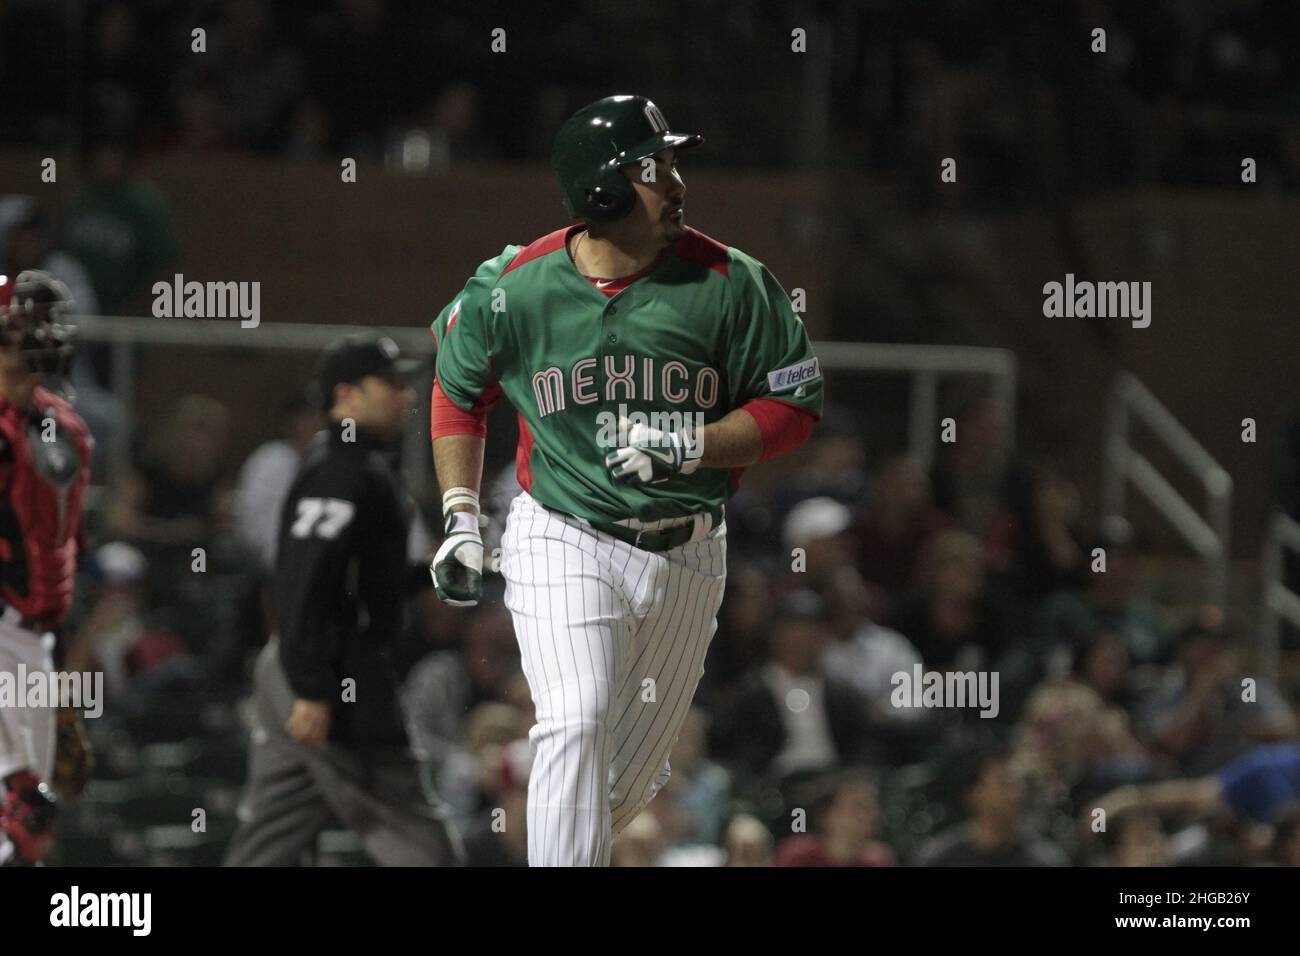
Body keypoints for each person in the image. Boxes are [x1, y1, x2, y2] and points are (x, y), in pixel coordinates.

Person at [428, 94, 823, 866]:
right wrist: (460, 514)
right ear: (601, 190)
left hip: (687, 552)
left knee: (625, 784)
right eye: (654, 167)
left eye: (674, 163)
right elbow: (456, 386)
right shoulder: (516, 285)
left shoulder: (732, 283)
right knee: (573, 721)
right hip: (561, 533)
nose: (675, 182)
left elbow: (793, 405)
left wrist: (690, 442)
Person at [225, 334, 460, 867]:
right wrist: (312, 686)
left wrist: (433, 573)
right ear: (346, 395)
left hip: (301, 665)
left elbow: (366, 579)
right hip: (330, 671)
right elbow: (305, 577)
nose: (405, 395)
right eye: (390, 384)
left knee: (272, 838)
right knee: (423, 845)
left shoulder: (359, 462)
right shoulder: (343, 466)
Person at [0, 272, 94, 865]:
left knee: (31, 827)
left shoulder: (68, 430)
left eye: (43, 325)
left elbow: (61, 559)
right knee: (24, 812)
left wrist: (55, 681)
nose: (41, 337)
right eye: (20, 327)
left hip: (31, 642)